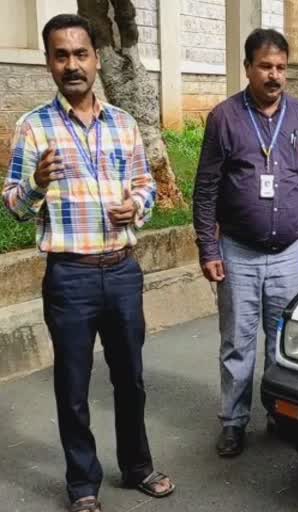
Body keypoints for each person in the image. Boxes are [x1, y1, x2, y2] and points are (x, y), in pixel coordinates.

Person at [1, 14, 174, 512]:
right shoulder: (33, 127)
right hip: (70, 277)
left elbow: (145, 186)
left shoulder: (123, 124)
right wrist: (34, 181)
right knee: (73, 386)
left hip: (122, 270)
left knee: (131, 378)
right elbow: (12, 203)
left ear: (96, 60)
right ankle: (82, 484)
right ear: (49, 62)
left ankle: (138, 465)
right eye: (62, 55)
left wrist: (136, 207)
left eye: (81, 54)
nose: (72, 65)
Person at [193, 28, 298, 458]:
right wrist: (208, 247)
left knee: (283, 343)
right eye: (265, 67)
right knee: (237, 343)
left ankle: (280, 412)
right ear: (248, 69)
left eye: (280, 67)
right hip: (238, 252)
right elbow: (206, 189)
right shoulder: (225, 117)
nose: (274, 75)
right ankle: (234, 422)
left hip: (292, 253)